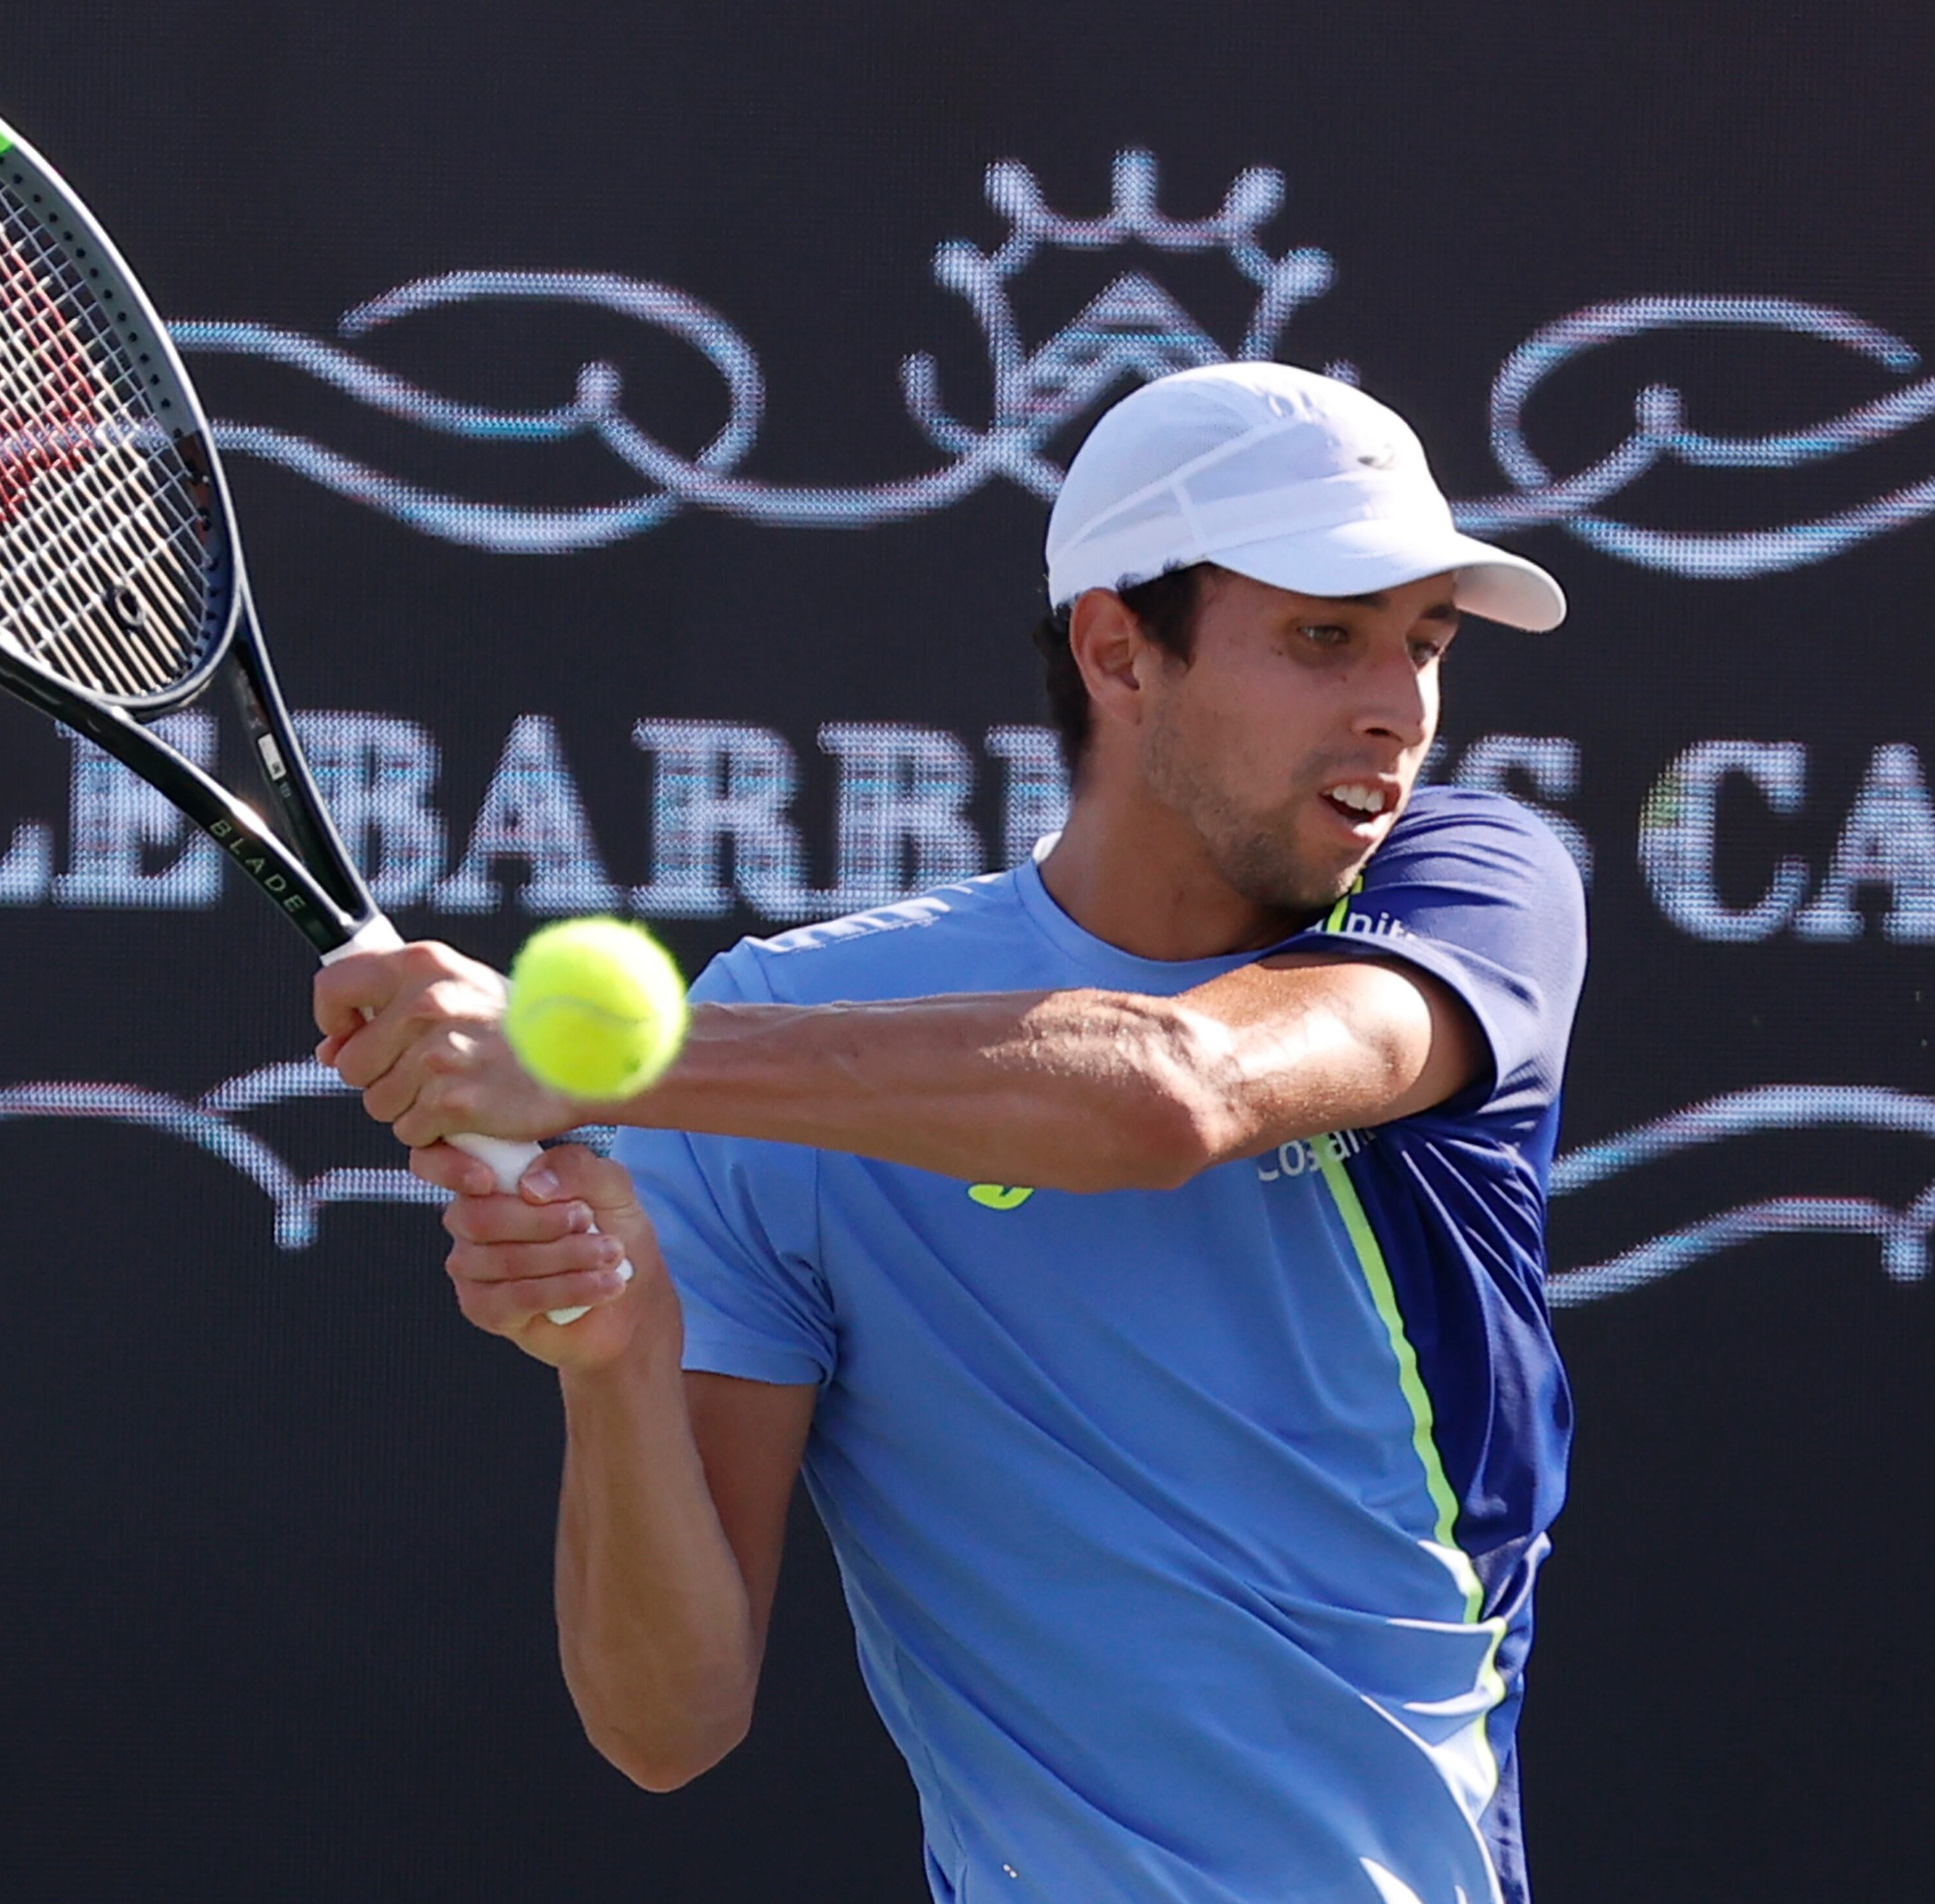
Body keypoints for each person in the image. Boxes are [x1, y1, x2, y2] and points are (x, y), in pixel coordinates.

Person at [314, 361, 1584, 1904]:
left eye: (1424, 645)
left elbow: (1170, 1092)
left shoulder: (1474, 884)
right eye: (1324, 638)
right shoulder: (788, 1042)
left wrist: (601, 1065)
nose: (1394, 708)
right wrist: (620, 1364)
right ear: (1119, 651)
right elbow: (667, 1726)